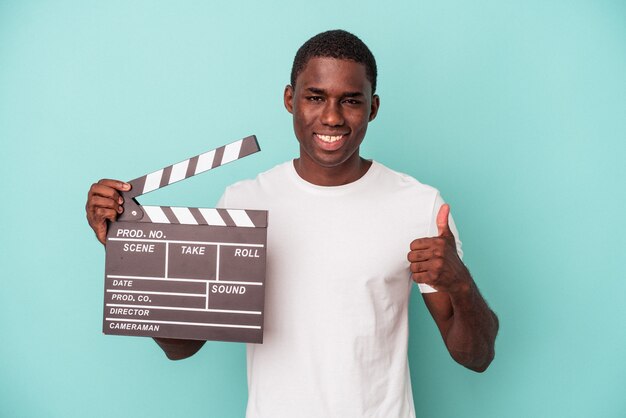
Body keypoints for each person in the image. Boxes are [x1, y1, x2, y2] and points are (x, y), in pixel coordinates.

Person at [86, 30, 499, 418]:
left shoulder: (419, 205)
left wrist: (461, 283)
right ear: (290, 99)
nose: (332, 117)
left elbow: (476, 357)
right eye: (315, 97)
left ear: (373, 107)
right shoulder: (243, 203)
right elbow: (182, 346)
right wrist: (130, 245)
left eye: (351, 100)